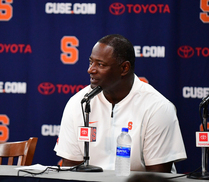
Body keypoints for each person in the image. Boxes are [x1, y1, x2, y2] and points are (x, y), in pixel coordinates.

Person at [54, 34, 187, 173]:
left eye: (100, 64)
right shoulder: (78, 103)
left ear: (124, 68)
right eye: (90, 62)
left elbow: (157, 176)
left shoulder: (158, 108)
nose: (91, 70)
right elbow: (70, 168)